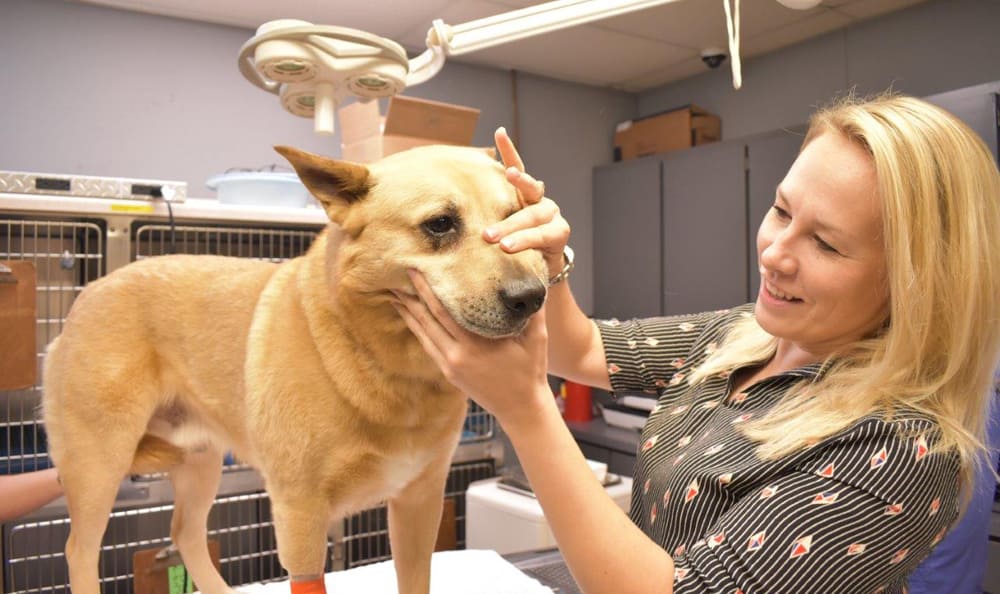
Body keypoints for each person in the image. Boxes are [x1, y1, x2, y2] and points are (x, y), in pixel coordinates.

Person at [393, 92, 1000, 593]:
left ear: (917, 284)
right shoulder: (749, 334)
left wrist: (525, 413)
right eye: (782, 211)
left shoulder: (898, 451)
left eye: (827, 244)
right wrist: (544, 261)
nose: (774, 253)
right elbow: (580, 349)